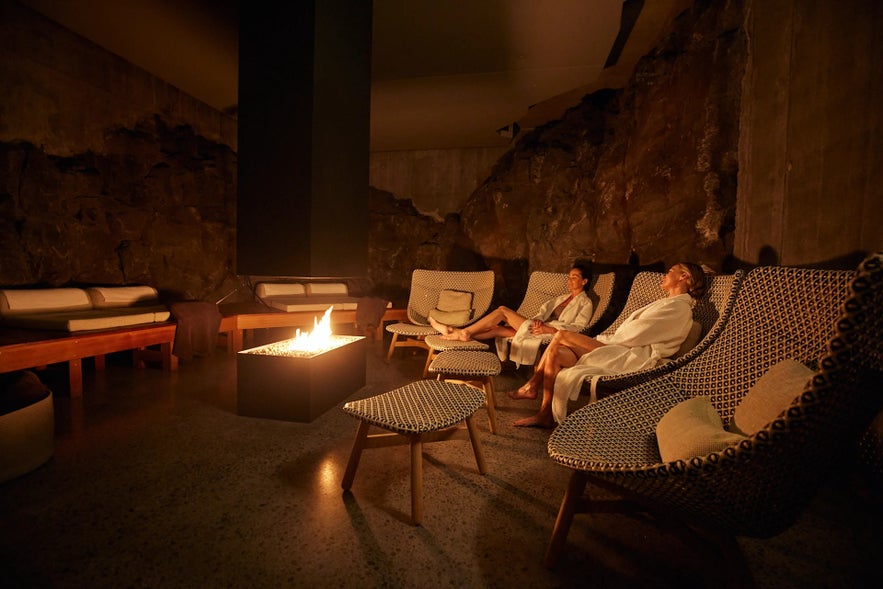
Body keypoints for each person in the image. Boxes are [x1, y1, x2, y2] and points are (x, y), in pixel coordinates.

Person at [510, 262, 707, 428]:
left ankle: (532, 386)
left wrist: (608, 340)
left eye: (670, 271)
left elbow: (639, 334)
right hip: (617, 346)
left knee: (560, 335)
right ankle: (545, 415)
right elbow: (640, 330)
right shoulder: (667, 303)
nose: (665, 275)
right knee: (558, 353)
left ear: (683, 276)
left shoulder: (679, 308)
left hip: (625, 354)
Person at [428, 264, 594, 368]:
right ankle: (456, 336)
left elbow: (578, 328)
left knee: (502, 311)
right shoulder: (561, 298)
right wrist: (539, 321)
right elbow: (544, 312)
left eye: (575, 277)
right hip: (537, 328)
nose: (570, 280)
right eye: (569, 277)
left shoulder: (585, 303)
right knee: (496, 330)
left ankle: (462, 332)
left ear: (584, 281)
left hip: (551, 332)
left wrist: (549, 329)